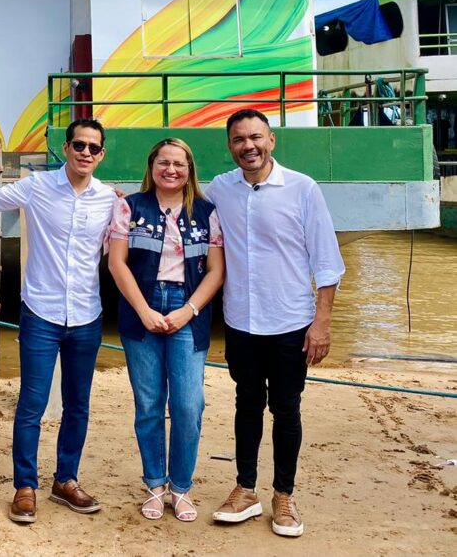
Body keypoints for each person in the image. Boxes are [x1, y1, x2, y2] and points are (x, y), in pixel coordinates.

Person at [205, 108, 345, 539]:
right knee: (246, 404)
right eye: (239, 139)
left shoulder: (302, 188)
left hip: (290, 322)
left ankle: (284, 495)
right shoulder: (220, 189)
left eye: (256, 137)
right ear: (230, 146)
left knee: (287, 409)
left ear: (271, 141)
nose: (248, 146)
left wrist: (321, 324)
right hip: (241, 321)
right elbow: (177, 202)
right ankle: (246, 489)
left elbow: (327, 261)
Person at [0, 118, 118, 524]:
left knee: (78, 404)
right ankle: (25, 486)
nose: (86, 153)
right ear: (66, 148)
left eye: (94, 148)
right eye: (79, 145)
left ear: (101, 154)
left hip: (86, 315)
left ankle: (66, 480)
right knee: (32, 403)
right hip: (41, 312)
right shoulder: (37, 186)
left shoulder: (109, 199)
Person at [108, 138, 225, 523]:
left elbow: (216, 271)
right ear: (152, 166)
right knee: (149, 403)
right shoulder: (129, 207)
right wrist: (142, 310)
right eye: (164, 162)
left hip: (187, 308)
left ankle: (182, 486)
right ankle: (155, 485)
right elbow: (117, 263)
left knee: (189, 405)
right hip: (141, 307)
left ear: (189, 171)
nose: (171, 170)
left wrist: (188, 311)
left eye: (179, 164)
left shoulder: (207, 212)